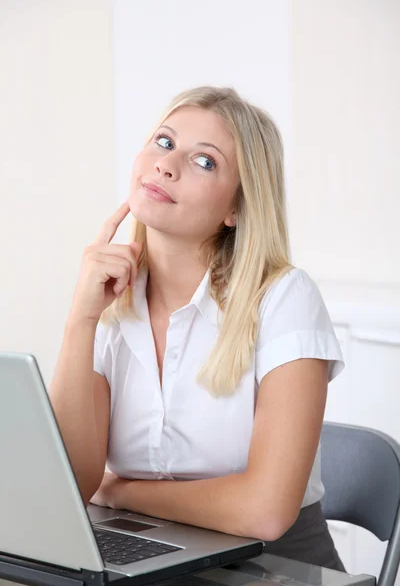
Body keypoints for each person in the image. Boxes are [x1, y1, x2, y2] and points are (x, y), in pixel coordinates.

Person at [49, 86, 345, 571]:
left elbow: (266, 511)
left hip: (274, 569)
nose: (167, 165)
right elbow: (71, 485)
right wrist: (80, 320)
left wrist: (122, 492)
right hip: (151, 560)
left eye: (205, 161)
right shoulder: (112, 302)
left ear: (235, 209)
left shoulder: (285, 298)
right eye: (164, 143)